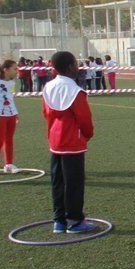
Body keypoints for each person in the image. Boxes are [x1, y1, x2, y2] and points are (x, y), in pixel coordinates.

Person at [43, 51, 96, 234]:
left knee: (57, 181)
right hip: (72, 143)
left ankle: (59, 221)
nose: (78, 66)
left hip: (55, 141)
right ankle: (75, 221)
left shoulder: (48, 87)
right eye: (75, 63)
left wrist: (51, 134)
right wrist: (88, 134)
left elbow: (47, 114)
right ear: (69, 67)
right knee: (74, 183)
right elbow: (84, 118)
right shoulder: (75, 91)